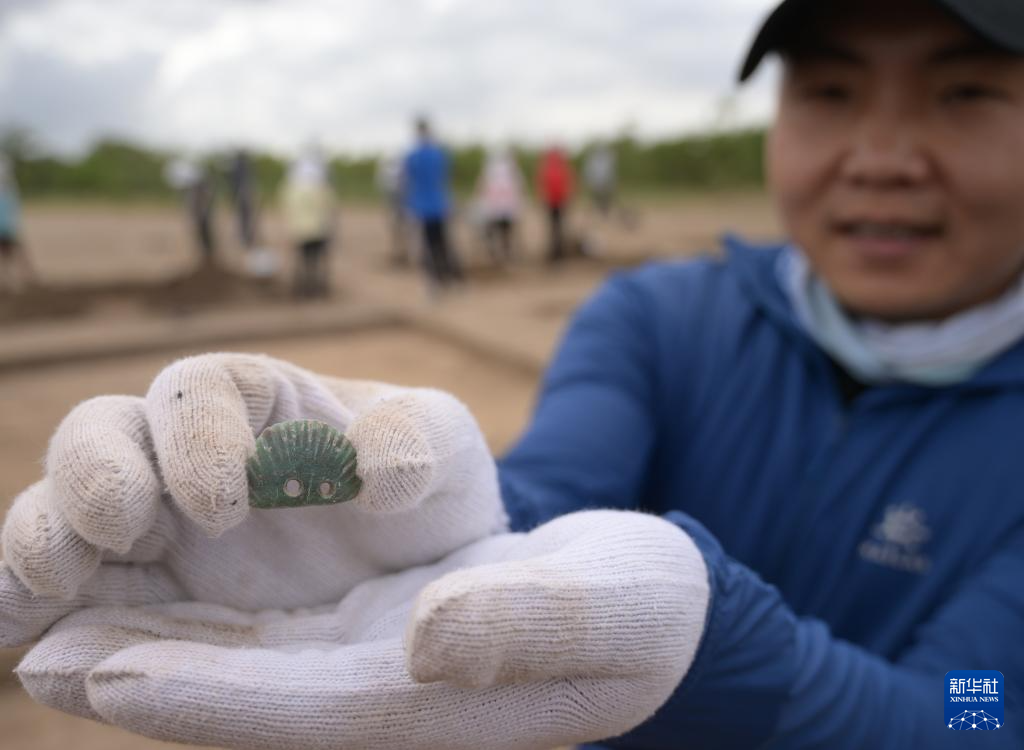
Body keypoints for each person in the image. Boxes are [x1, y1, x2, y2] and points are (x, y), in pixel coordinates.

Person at [1, 1, 1023, 748]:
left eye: (965, 90)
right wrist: (424, 529)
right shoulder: (655, 318)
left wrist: (728, 647)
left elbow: (975, 711)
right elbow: (547, 492)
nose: (880, 155)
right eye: (831, 91)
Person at [404, 117, 462, 293]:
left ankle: (435, 284)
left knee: (429, 246)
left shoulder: (413, 156)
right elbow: (447, 179)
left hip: (423, 207)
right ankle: (452, 280)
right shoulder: (439, 153)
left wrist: (408, 206)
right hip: (439, 205)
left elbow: (408, 182)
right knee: (444, 243)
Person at [280, 147, 335, 298]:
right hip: (318, 230)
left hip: (299, 230)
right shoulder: (322, 188)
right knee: (316, 260)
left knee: (301, 260)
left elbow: (287, 210)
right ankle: (318, 289)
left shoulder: (290, 189)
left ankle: (301, 289)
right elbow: (329, 209)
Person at [474, 146, 524, 265]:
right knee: (504, 233)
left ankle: (497, 255)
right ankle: (503, 255)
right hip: (504, 208)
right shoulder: (511, 168)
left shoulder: (491, 169)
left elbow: (481, 185)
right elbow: (519, 187)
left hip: (497, 208)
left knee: (497, 232)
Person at [0, 154, 33, 291]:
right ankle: (11, 280)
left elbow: (13, 209)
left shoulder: (9, 190)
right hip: (6, 227)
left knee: (16, 252)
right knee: (12, 253)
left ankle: (26, 278)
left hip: (7, 227)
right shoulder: (9, 190)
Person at [537, 145, 574, 262]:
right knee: (558, 227)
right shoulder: (562, 165)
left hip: (554, 202)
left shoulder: (546, 166)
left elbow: (542, 184)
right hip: (557, 201)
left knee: (555, 227)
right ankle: (558, 251)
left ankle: (556, 251)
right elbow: (568, 182)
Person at [375, 153, 409, 267]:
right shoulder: (396, 171)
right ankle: (400, 253)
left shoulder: (388, 172)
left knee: (398, 230)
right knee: (399, 230)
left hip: (398, 205)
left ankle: (401, 253)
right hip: (397, 205)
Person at [582, 141, 616, 217]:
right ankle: (598, 212)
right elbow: (589, 172)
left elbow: (611, 172)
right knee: (597, 199)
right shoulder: (593, 159)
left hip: (605, 185)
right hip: (597, 185)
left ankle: (604, 212)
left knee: (606, 199)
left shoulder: (607, 159)